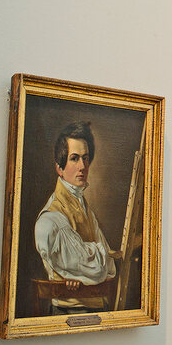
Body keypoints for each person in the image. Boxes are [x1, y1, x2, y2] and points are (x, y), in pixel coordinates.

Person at [34, 121, 118, 313]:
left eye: (86, 158)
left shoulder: (84, 207)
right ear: (59, 168)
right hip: (69, 312)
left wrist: (84, 266)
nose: (83, 166)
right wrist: (95, 261)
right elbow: (99, 268)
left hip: (97, 309)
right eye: (74, 158)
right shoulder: (51, 218)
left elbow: (110, 268)